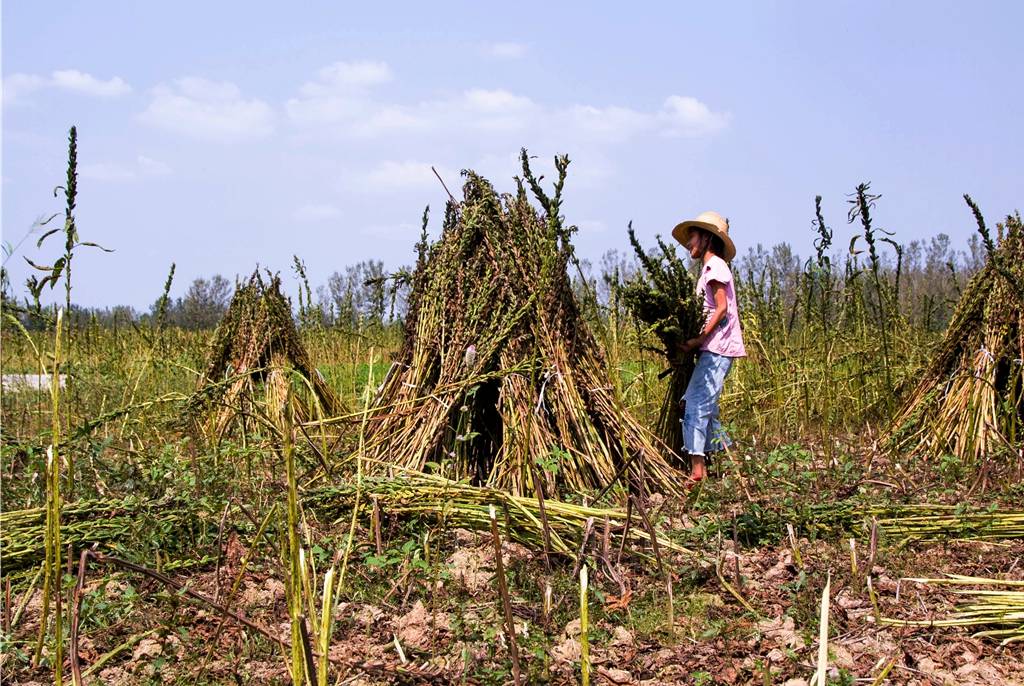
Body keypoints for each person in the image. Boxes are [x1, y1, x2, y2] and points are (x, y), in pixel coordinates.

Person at [671, 211, 746, 484]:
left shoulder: (716, 267)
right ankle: (729, 464)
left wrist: (697, 340)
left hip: (717, 348)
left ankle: (697, 471)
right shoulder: (709, 268)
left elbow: (722, 307)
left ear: (706, 237)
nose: (689, 242)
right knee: (707, 408)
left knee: (694, 404)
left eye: (692, 236)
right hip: (714, 347)